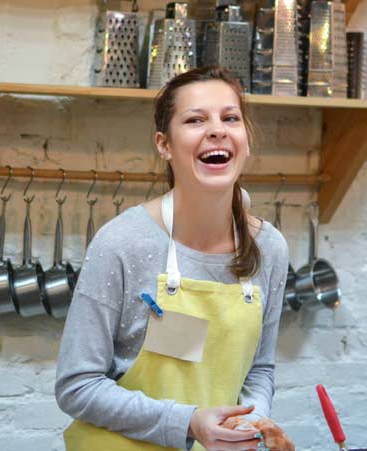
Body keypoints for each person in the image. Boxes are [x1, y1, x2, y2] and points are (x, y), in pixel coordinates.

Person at [56, 66, 292, 451]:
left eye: (230, 118)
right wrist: (188, 422)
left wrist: (251, 421)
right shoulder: (122, 243)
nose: (217, 129)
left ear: (246, 140)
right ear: (164, 145)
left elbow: (259, 369)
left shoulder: (269, 248)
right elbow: (76, 385)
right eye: (196, 120)